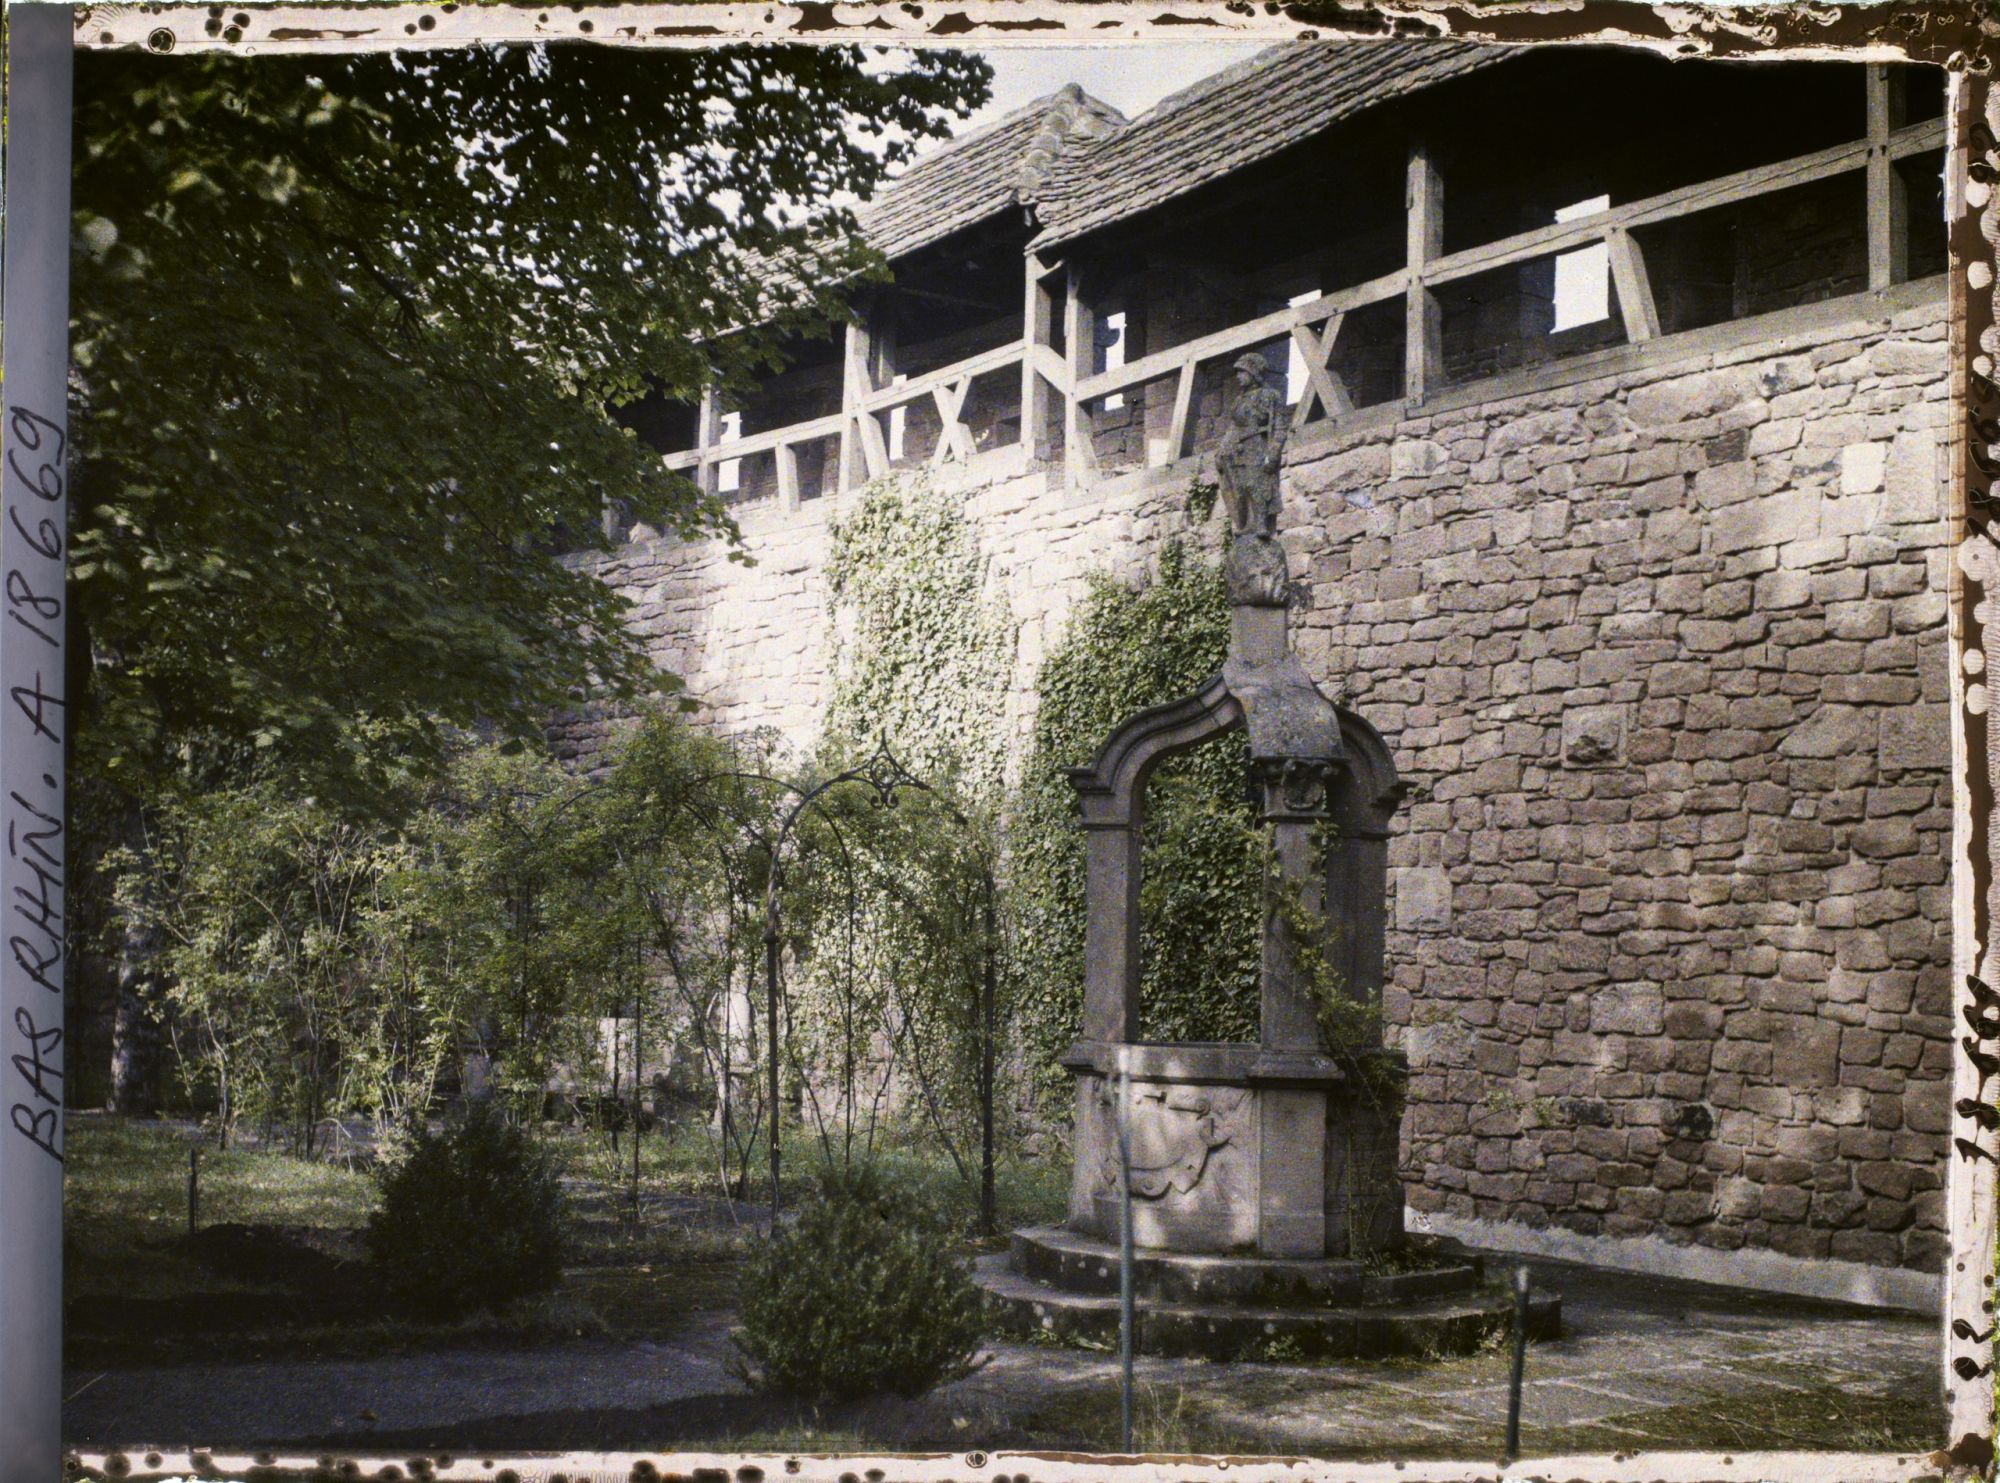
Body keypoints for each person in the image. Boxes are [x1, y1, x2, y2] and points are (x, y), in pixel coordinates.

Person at [1216, 351, 1287, 537]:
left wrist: (1274, 452)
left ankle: (1262, 523)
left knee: (1258, 484)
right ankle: (1247, 522)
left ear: (1253, 373)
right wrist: (1222, 449)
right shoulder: (1239, 401)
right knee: (1241, 487)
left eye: (1242, 372)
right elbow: (1233, 427)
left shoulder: (1270, 396)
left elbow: (1279, 426)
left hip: (1258, 444)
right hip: (1238, 449)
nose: (1238, 377)